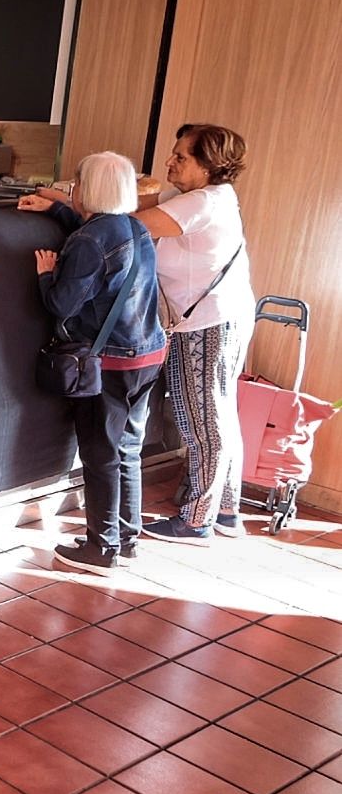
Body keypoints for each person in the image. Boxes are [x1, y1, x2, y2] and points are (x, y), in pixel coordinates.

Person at [18, 152, 166, 573]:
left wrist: (46, 275)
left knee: (100, 454)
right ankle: (126, 535)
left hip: (110, 364)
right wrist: (60, 211)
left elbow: (63, 304)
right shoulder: (135, 228)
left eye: (76, 184)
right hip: (147, 354)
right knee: (128, 449)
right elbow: (100, 238)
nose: (74, 190)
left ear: (89, 188)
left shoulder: (88, 241)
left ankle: (102, 548)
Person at [134, 123, 256, 544]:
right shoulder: (197, 197)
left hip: (207, 323)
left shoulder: (202, 203)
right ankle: (225, 509)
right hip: (224, 316)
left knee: (203, 418)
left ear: (208, 166)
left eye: (181, 156)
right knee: (220, 411)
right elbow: (138, 201)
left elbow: (131, 225)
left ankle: (196, 520)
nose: (170, 161)